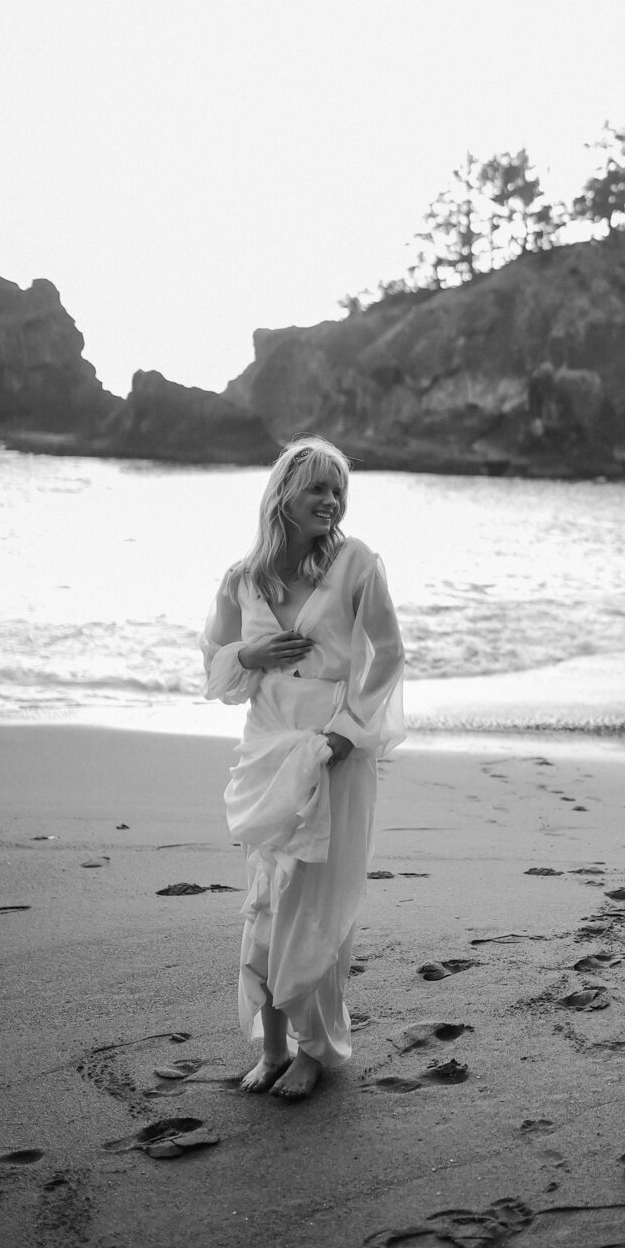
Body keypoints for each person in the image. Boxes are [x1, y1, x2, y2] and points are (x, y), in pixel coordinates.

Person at [201, 438, 404, 1101]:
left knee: (315, 904)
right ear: (282, 494)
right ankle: (271, 1045)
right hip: (268, 746)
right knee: (266, 900)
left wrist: (350, 732)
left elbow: (389, 654)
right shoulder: (242, 578)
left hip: (333, 749)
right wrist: (251, 653)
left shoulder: (356, 563)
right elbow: (217, 667)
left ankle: (317, 1051)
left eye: (338, 490)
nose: (331, 501)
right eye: (317, 488)